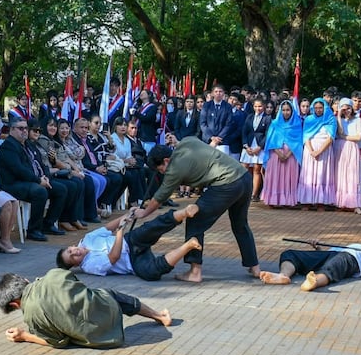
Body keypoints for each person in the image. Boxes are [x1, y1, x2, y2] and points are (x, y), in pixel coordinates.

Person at [133, 142, 260, 283]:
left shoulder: (175, 169)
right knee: (240, 224)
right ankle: (254, 267)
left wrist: (143, 213)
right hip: (243, 177)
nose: (163, 173)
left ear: (167, 160)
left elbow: (160, 196)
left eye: (161, 169)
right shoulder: (186, 142)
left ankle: (195, 272)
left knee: (195, 220)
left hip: (226, 184)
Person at [0, 268, 172, 348]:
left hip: (101, 341)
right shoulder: (54, 275)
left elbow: (57, 343)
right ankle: (159, 317)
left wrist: (25, 336)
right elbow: (80, 286)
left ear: (14, 304)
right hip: (109, 306)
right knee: (106, 293)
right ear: (26, 281)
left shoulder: (31, 318)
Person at [56, 205, 200, 280]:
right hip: (133, 262)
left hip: (129, 241)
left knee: (151, 228)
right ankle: (188, 245)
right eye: (73, 257)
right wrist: (120, 232)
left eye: (70, 251)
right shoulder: (89, 267)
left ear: (71, 246)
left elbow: (108, 227)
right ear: (75, 265)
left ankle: (184, 212)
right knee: (151, 273)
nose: (75, 252)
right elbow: (114, 257)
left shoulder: (88, 239)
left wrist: (127, 215)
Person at [0, 117, 67, 241]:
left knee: (61, 189)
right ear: (12, 130)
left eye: (26, 128)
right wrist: (39, 180)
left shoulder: (28, 144)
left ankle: (48, 224)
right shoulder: (8, 146)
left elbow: (43, 164)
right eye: (20, 128)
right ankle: (33, 230)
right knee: (40, 191)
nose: (24, 131)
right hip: (13, 184)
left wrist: (45, 177)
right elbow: (19, 170)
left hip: (31, 181)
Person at [259, 241, 361, 291]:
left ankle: (314, 281)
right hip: (334, 253)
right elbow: (330, 254)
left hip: (352, 261)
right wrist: (318, 249)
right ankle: (283, 275)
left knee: (331, 269)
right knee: (290, 254)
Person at [297, 98, 337, 209]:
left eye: (320, 108)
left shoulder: (331, 119)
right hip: (310, 151)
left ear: (325, 108)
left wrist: (319, 151)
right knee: (308, 175)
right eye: (316, 108)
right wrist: (311, 151)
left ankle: (321, 202)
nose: (318, 110)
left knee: (322, 175)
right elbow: (306, 136)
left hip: (325, 151)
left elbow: (331, 138)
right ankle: (307, 201)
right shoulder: (309, 119)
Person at [262, 99, 302, 207]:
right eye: (283, 110)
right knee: (275, 177)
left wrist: (288, 154)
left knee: (288, 179)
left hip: (291, 156)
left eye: (288, 110)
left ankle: (287, 201)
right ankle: (274, 200)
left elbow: (298, 142)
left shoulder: (297, 124)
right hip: (276, 155)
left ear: (292, 111)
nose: (286, 112)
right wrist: (279, 153)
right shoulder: (274, 124)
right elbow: (270, 140)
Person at [333, 98, 361, 214]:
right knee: (340, 175)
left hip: (352, 148)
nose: (346, 110)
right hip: (340, 148)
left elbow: (359, 137)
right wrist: (339, 116)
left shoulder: (358, 120)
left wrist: (345, 137)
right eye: (344, 108)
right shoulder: (338, 120)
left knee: (352, 175)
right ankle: (340, 202)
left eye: (348, 108)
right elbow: (339, 132)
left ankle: (354, 203)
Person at [110, 117, 146, 207]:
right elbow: (112, 156)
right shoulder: (112, 138)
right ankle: (133, 201)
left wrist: (131, 160)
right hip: (115, 166)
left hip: (126, 165)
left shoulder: (127, 140)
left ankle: (135, 199)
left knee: (138, 171)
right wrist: (126, 160)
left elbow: (129, 155)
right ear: (115, 126)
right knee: (131, 175)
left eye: (125, 125)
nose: (123, 127)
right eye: (120, 125)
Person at [240, 98, 271, 202]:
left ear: (264, 106)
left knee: (257, 170)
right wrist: (245, 146)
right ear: (253, 107)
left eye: (260, 106)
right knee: (244, 169)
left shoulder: (267, 118)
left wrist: (260, 147)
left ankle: (254, 194)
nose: (258, 108)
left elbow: (268, 134)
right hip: (248, 145)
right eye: (256, 106)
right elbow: (244, 131)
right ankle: (243, 192)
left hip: (259, 146)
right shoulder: (249, 116)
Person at [199, 84, 233, 154]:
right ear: (212, 93)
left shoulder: (228, 106)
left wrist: (218, 138)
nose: (218, 93)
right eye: (216, 91)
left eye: (220, 91)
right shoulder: (206, 105)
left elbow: (228, 124)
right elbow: (203, 123)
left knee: (222, 164)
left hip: (222, 141)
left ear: (223, 93)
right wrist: (212, 137)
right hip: (208, 141)